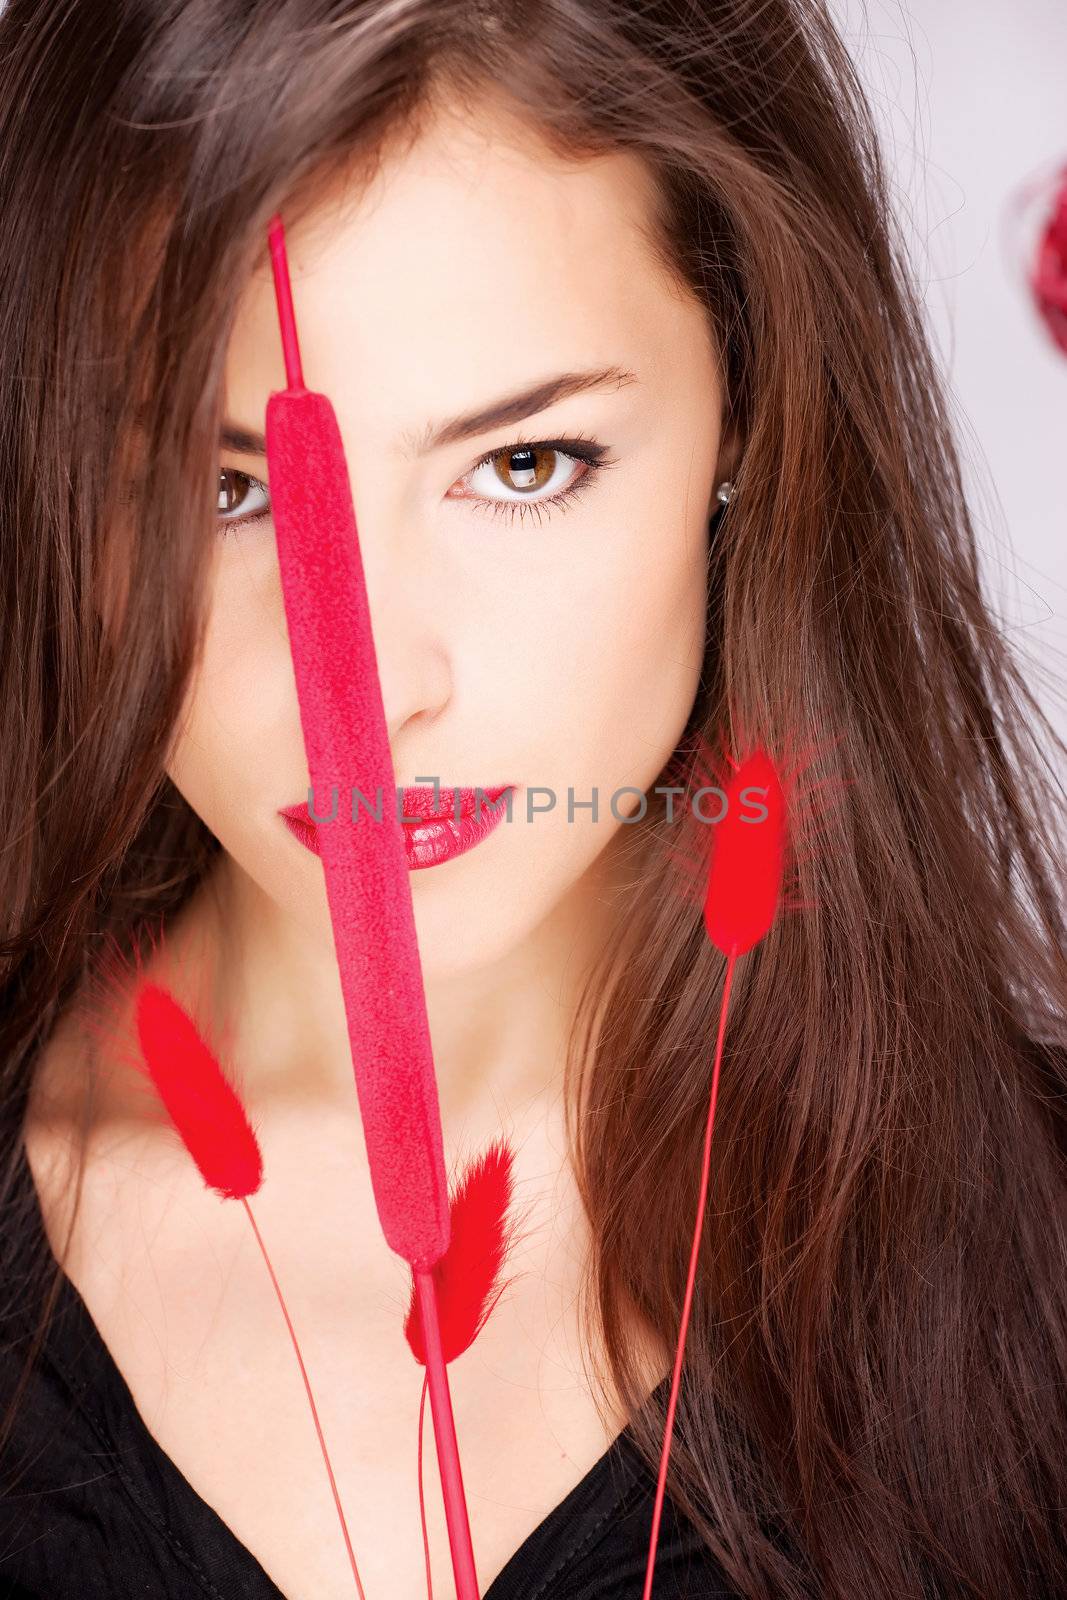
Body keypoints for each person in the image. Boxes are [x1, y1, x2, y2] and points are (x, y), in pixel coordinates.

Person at [1, 2, 1065, 1597]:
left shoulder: (1026, 1240)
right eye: (223, 493)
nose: (376, 688)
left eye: (524, 467)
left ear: (748, 423)